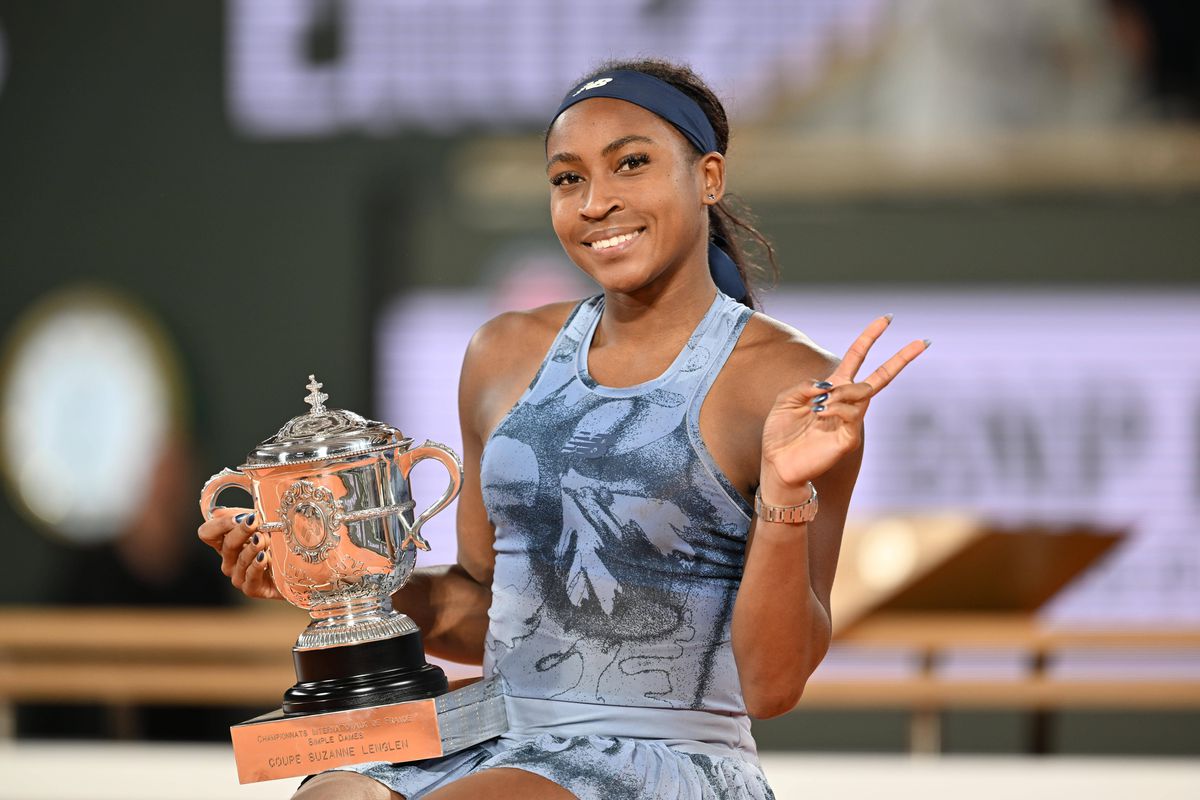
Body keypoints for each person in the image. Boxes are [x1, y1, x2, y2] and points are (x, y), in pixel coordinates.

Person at [199, 58, 927, 800]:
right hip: (492, 728)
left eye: (631, 165)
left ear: (708, 177)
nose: (596, 202)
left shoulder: (788, 385)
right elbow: (483, 604)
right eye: (567, 178)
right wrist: (337, 583)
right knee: (332, 796)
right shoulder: (502, 354)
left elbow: (772, 686)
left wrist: (782, 494)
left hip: (665, 760)